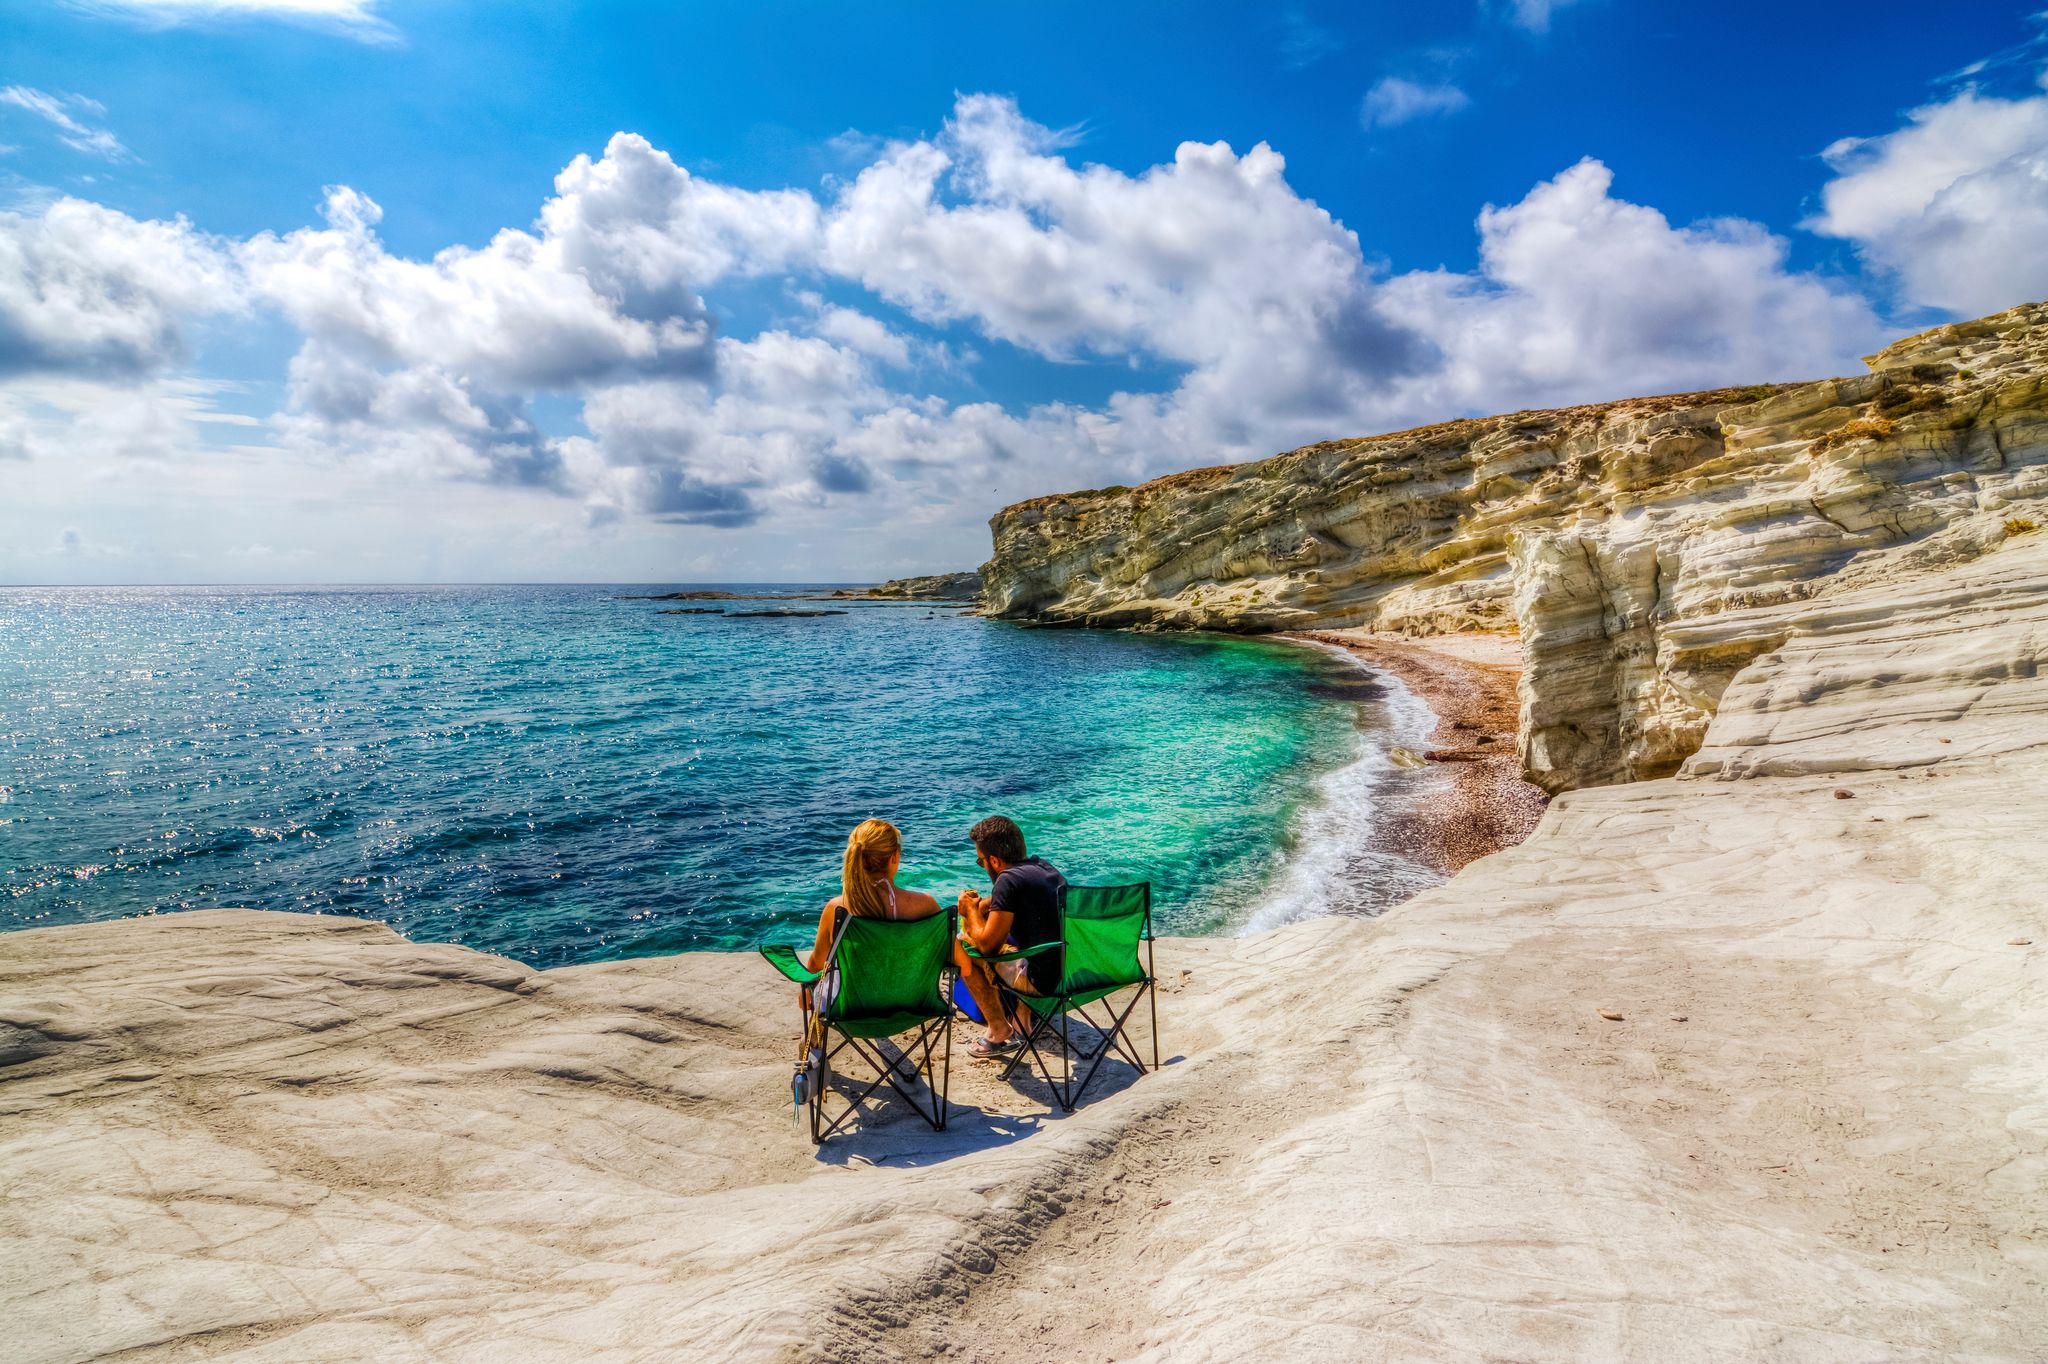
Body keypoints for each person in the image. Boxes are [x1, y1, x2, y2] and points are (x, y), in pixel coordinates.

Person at [953, 815, 1067, 1060]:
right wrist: (985, 904)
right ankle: (1022, 1018)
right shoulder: (1044, 869)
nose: (982, 866)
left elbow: (988, 946)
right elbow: (1011, 901)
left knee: (962, 947)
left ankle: (998, 1029)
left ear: (994, 860)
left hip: (1041, 984)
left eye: (981, 861)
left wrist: (970, 911)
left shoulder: (1007, 880)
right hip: (1069, 975)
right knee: (1025, 939)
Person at [800, 819, 941, 1005]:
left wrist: (806, 991)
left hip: (850, 1011)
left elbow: (816, 965)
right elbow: (961, 965)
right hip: (911, 1006)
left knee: (815, 985)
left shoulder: (837, 908)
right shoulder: (926, 905)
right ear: (895, 857)